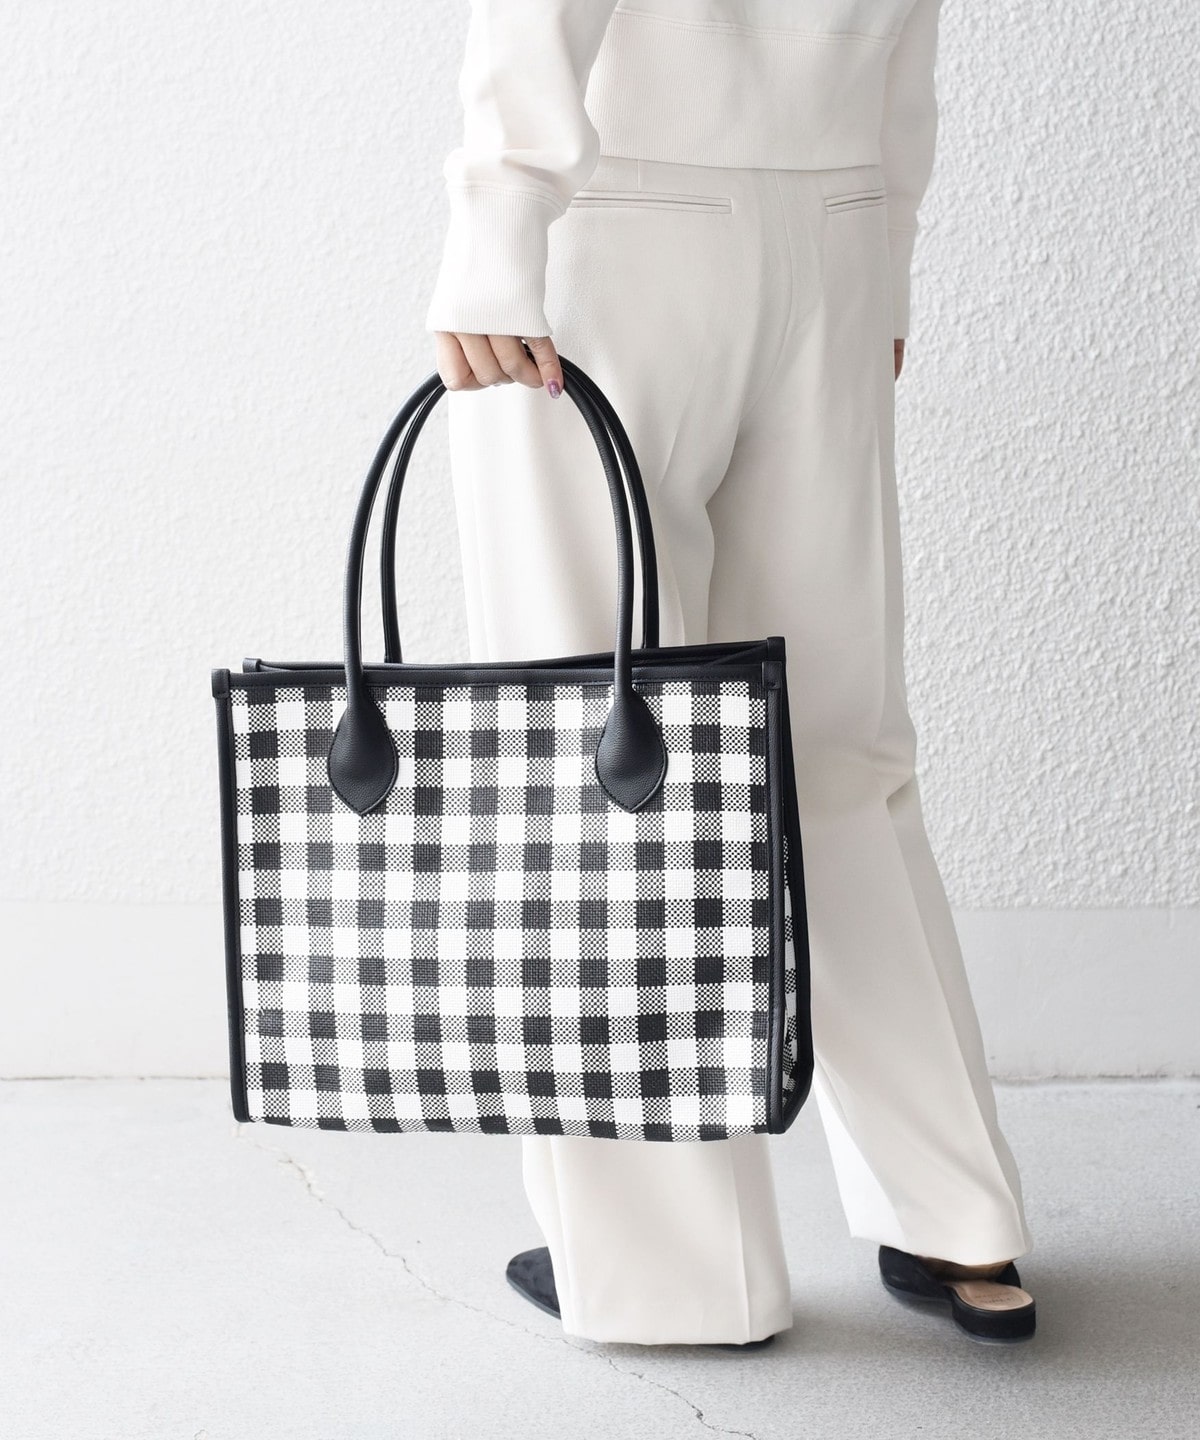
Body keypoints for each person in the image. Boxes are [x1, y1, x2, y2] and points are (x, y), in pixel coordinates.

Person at [423, 0, 1036, 1347]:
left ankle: (676, 1275)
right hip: (834, 223)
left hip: (618, 234)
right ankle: (958, 1219)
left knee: (602, 762)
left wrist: (500, 213)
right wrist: (885, 241)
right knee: (835, 756)